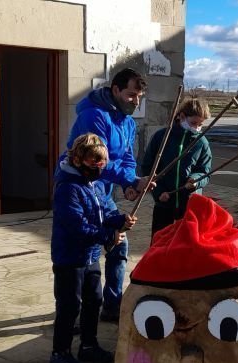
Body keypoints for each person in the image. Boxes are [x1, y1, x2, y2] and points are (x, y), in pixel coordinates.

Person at [66, 68, 154, 323]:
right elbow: (96, 160)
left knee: (119, 243)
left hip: (103, 191)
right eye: (131, 95)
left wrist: (128, 183)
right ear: (115, 90)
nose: (135, 102)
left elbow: (126, 157)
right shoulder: (94, 116)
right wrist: (133, 180)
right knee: (83, 254)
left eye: (139, 97)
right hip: (81, 188)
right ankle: (72, 314)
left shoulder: (127, 122)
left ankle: (112, 305)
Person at [50, 133, 137, 363]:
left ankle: (88, 345)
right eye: (95, 163)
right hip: (70, 258)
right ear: (79, 160)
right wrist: (108, 236)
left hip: (89, 257)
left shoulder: (94, 184)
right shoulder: (68, 188)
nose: (100, 168)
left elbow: (101, 215)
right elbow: (77, 226)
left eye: (103, 164)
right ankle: (60, 352)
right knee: (70, 306)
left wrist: (119, 220)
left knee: (94, 301)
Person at [141, 97, 212, 237]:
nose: (196, 128)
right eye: (193, 123)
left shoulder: (201, 142)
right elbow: (148, 168)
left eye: (200, 124)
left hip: (189, 203)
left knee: (186, 245)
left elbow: (205, 171)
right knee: (160, 242)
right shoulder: (161, 137)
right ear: (182, 116)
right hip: (163, 202)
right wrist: (158, 191)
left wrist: (196, 180)